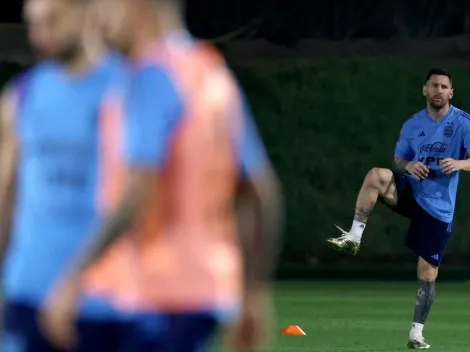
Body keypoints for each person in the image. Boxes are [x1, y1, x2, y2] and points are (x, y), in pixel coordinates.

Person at [40, 0, 283, 351]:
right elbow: (259, 194)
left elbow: (137, 189)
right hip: (204, 294)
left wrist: (74, 275)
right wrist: (252, 294)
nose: (99, 16)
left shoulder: (148, 77)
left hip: (149, 294)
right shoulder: (211, 74)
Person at [0, 0, 123, 350]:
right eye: (33, 23)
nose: (40, 35)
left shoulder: (131, 90)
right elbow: (6, 196)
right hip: (27, 292)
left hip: (106, 304)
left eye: (51, 20)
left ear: (89, 11)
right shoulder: (21, 96)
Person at [327, 68, 470, 349]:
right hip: (411, 192)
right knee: (376, 176)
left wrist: (460, 164)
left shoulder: (464, 123)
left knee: (426, 273)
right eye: (434, 85)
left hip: (438, 207)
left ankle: (416, 334)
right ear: (425, 90)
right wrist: (408, 165)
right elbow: (397, 159)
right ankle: (354, 237)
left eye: (444, 86)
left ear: (451, 92)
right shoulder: (412, 124)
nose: (439, 90)